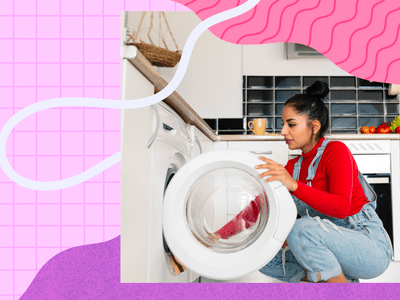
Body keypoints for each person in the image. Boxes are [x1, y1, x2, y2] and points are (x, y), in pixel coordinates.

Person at [206, 81, 393, 283]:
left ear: (314, 126)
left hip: (369, 246)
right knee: (260, 251)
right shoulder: (292, 167)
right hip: (329, 246)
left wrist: (294, 185)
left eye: (291, 124)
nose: (283, 132)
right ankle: (339, 282)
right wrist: (217, 236)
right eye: (283, 124)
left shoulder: (335, 151)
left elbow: (340, 208)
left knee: (300, 229)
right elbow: (258, 207)